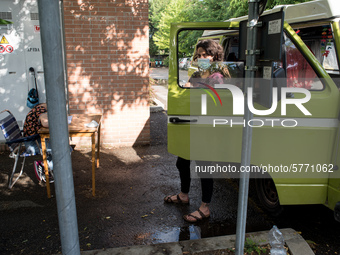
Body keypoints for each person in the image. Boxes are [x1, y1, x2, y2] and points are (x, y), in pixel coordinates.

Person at [164, 39, 230, 223]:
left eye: (205, 55)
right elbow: (184, 91)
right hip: (191, 124)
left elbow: (210, 101)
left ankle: (204, 208)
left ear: (214, 56)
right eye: (199, 55)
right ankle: (184, 195)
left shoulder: (216, 77)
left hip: (206, 127)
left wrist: (192, 91)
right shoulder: (199, 74)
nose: (201, 58)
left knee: (204, 167)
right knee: (182, 162)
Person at [23, 103, 53, 182]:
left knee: (64, 148)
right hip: (32, 144)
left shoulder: (40, 107)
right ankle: (44, 166)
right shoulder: (41, 110)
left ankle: (47, 166)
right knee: (63, 149)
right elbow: (45, 123)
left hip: (34, 140)